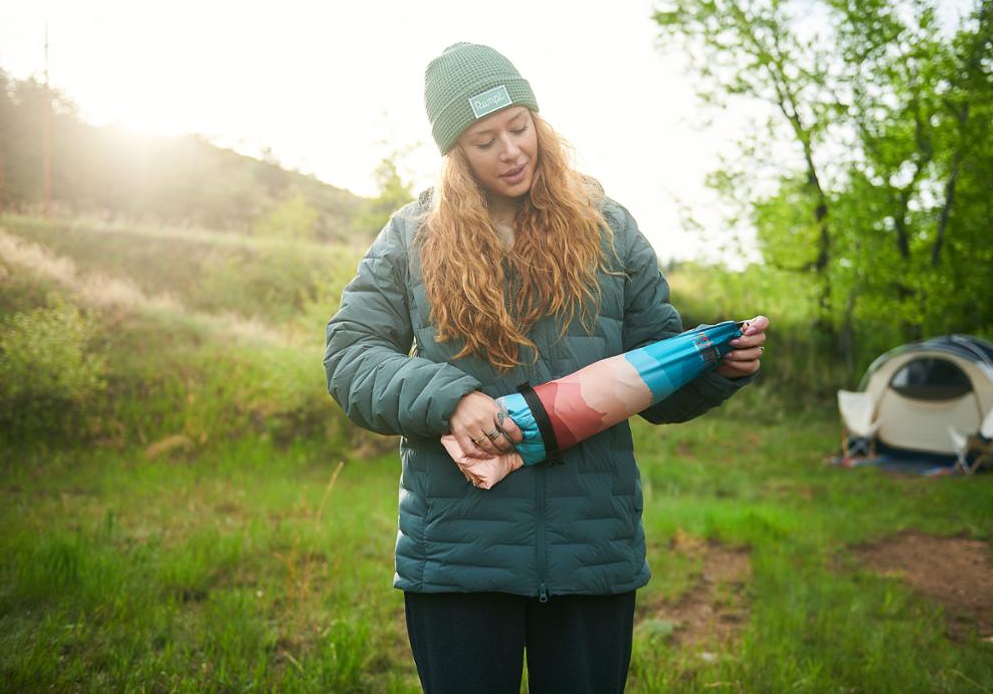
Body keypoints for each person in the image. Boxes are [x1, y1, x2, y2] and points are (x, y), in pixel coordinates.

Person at [324, 42, 768, 694]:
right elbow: (350, 355)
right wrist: (448, 398)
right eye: (484, 141)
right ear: (455, 153)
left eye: (518, 127)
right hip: (458, 556)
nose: (510, 151)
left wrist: (718, 369)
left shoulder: (608, 228)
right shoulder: (412, 236)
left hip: (590, 552)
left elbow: (656, 380)